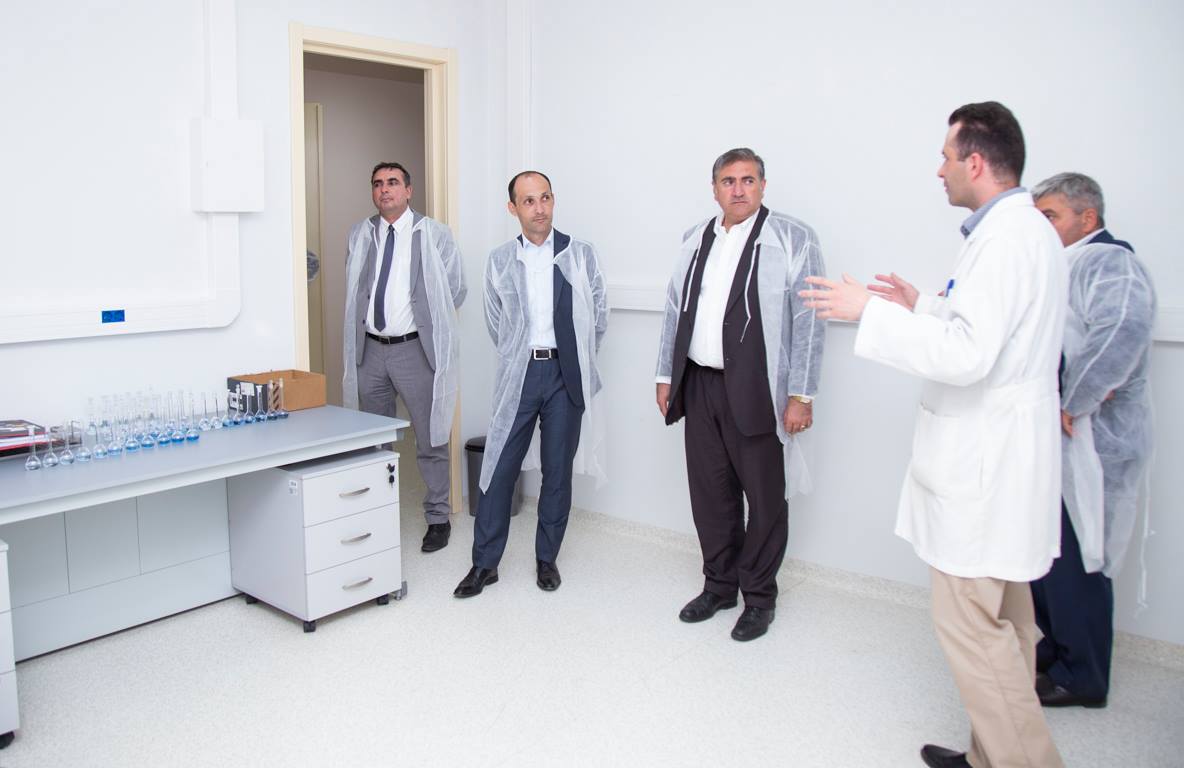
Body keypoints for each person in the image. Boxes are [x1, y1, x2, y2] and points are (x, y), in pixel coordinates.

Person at [801, 102, 1067, 768]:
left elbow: (968, 354)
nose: (939, 170)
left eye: (946, 157)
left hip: (985, 468)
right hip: (1005, 463)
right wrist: (920, 305)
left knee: (974, 630)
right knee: (1010, 624)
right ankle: (987, 756)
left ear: (975, 162)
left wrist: (870, 313)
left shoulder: (1006, 239)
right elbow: (988, 328)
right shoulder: (1021, 231)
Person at [655, 148, 826, 643]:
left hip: (759, 388)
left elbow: (810, 320)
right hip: (700, 383)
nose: (738, 189)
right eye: (728, 181)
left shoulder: (792, 238)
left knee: (765, 497)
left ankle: (759, 598)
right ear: (714, 189)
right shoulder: (695, 239)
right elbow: (674, 309)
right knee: (711, 494)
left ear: (763, 186)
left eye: (748, 180)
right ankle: (718, 586)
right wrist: (665, 375)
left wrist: (802, 395)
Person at [1029, 172, 1157, 709]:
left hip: (1092, 443)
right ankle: (1058, 650)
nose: (1042, 227)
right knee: (1046, 558)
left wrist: (1072, 402)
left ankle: (1083, 676)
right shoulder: (1061, 264)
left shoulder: (1109, 262)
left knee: (1079, 563)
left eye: (1051, 216)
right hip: (1056, 441)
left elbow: (1120, 333)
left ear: (1088, 218)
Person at [453, 171, 608, 598]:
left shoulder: (580, 254)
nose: (539, 209)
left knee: (557, 472)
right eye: (528, 201)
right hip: (519, 375)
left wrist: (574, 359)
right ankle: (484, 564)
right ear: (513, 208)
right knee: (499, 467)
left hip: (564, 376)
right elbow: (496, 323)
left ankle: (546, 559)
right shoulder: (500, 260)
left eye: (545, 198)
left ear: (553, 200)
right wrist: (519, 356)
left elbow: (598, 316)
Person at [342, 162, 466, 553]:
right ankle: (374, 514)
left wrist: (427, 319)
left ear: (408, 190)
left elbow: (456, 289)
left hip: (414, 350)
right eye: (377, 183)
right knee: (373, 439)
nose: (385, 190)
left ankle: (438, 518)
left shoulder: (433, 234)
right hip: (370, 351)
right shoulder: (360, 234)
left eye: (393, 183)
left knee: (431, 437)